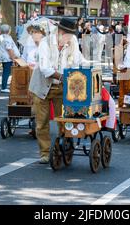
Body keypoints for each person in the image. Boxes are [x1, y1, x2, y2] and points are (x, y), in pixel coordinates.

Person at [29, 17, 83, 164]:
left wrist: (89, 70)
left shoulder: (72, 42)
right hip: (41, 87)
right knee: (42, 123)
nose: (70, 38)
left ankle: (64, 148)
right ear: (60, 32)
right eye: (68, 35)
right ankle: (45, 153)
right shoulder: (45, 43)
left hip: (61, 88)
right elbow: (46, 69)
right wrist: (66, 77)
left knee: (64, 120)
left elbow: (79, 61)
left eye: (72, 35)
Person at [0, 24, 20, 93]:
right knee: (6, 72)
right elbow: (9, 49)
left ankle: (4, 86)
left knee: (6, 72)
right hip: (8, 58)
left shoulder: (1, 36)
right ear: (8, 30)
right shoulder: (6, 38)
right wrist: (13, 59)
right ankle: (4, 87)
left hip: (5, 57)